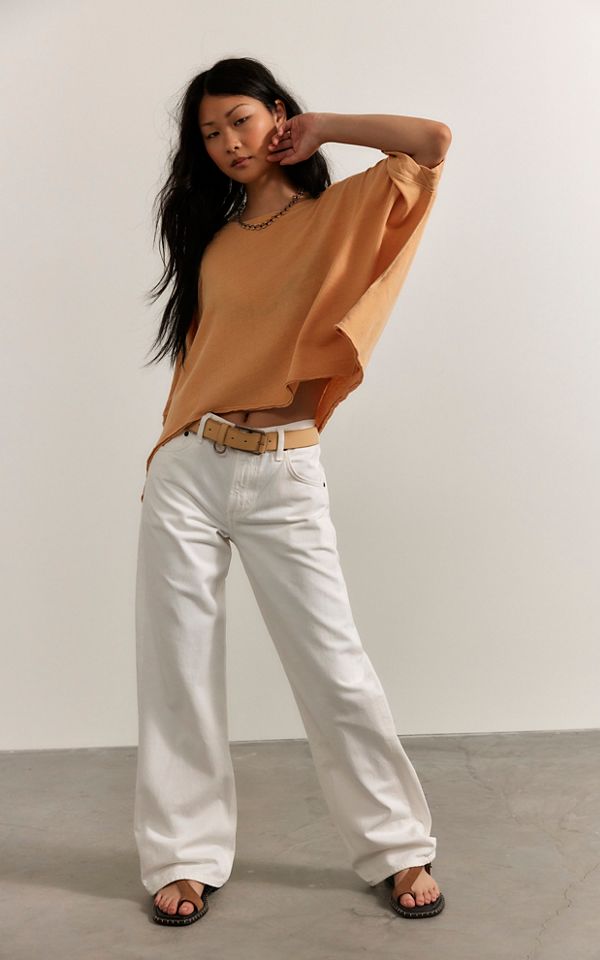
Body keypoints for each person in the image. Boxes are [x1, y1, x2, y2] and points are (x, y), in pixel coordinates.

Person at [134, 55, 451, 926]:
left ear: (275, 114)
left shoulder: (339, 213)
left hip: (283, 467)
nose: (228, 143)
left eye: (239, 120)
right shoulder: (213, 240)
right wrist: (163, 457)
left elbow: (431, 144)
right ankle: (183, 856)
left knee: (334, 667)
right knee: (176, 670)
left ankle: (396, 846)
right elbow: (201, 358)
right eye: (210, 134)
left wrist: (325, 129)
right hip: (189, 468)